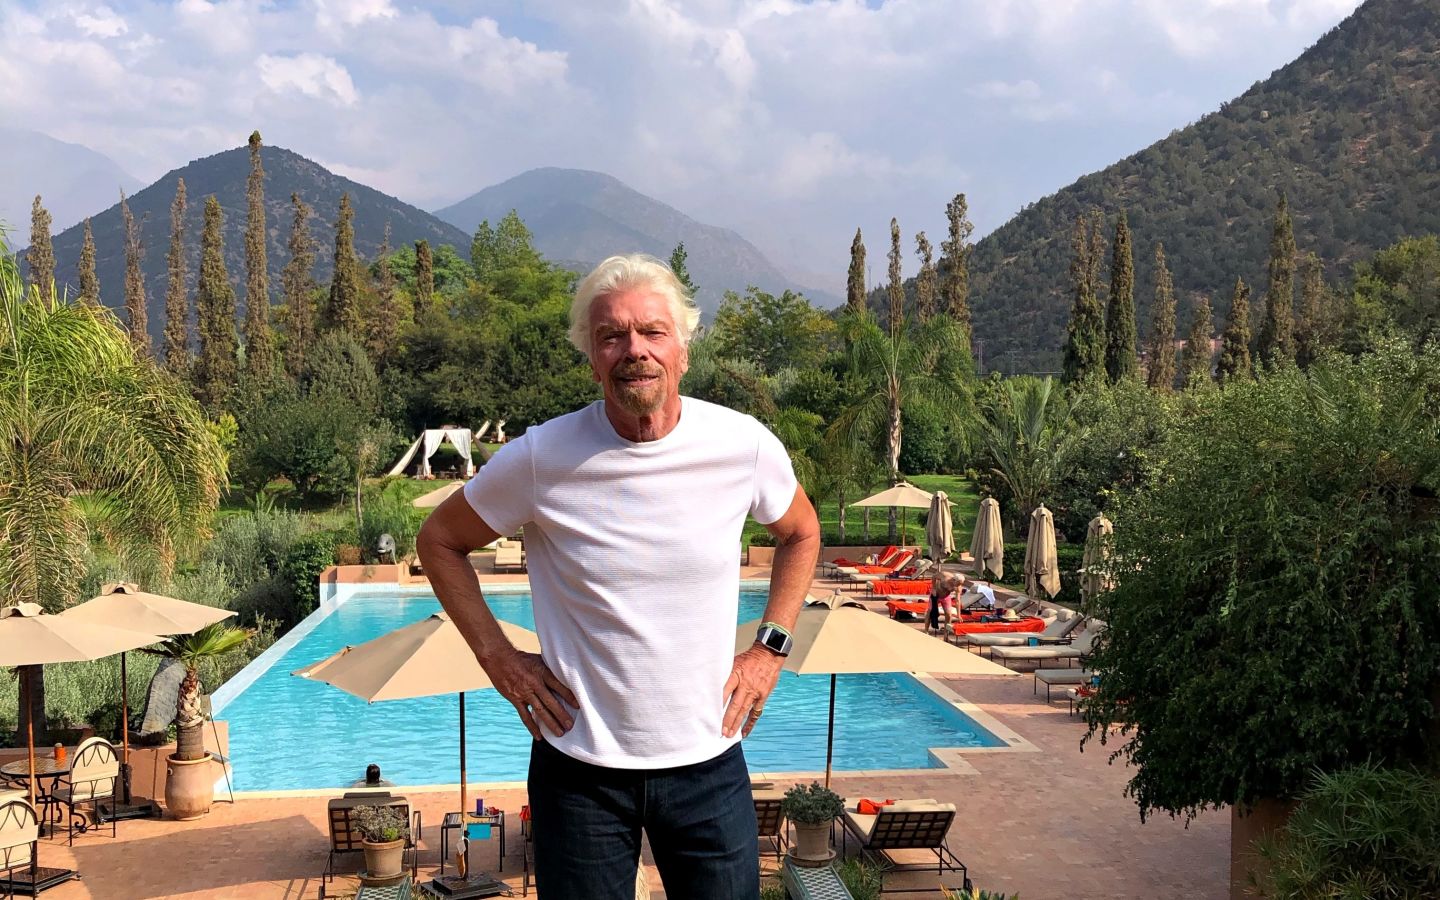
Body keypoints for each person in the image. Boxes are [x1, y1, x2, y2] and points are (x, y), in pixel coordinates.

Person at [416, 254, 821, 900]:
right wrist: (498, 658)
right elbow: (438, 540)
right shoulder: (542, 457)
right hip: (579, 773)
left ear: (683, 348)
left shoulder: (742, 446)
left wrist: (770, 647)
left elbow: (801, 532)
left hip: (708, 762)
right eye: (612, 336)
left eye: (652, 331)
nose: (635, 349)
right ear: (592, 356)